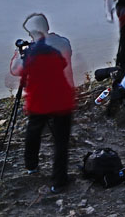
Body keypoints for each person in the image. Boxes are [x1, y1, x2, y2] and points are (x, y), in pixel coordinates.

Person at [9, 13, 74, 193]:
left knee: (34, 132)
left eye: (30, 33)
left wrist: (18, 54)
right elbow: (62, 63)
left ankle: (31, 166)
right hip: (62, 97)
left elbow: (16, 71)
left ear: (34, 32)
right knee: (61, 141)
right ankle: (59, 182)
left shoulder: (30, 53)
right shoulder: (62, 43)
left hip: (40, 100)